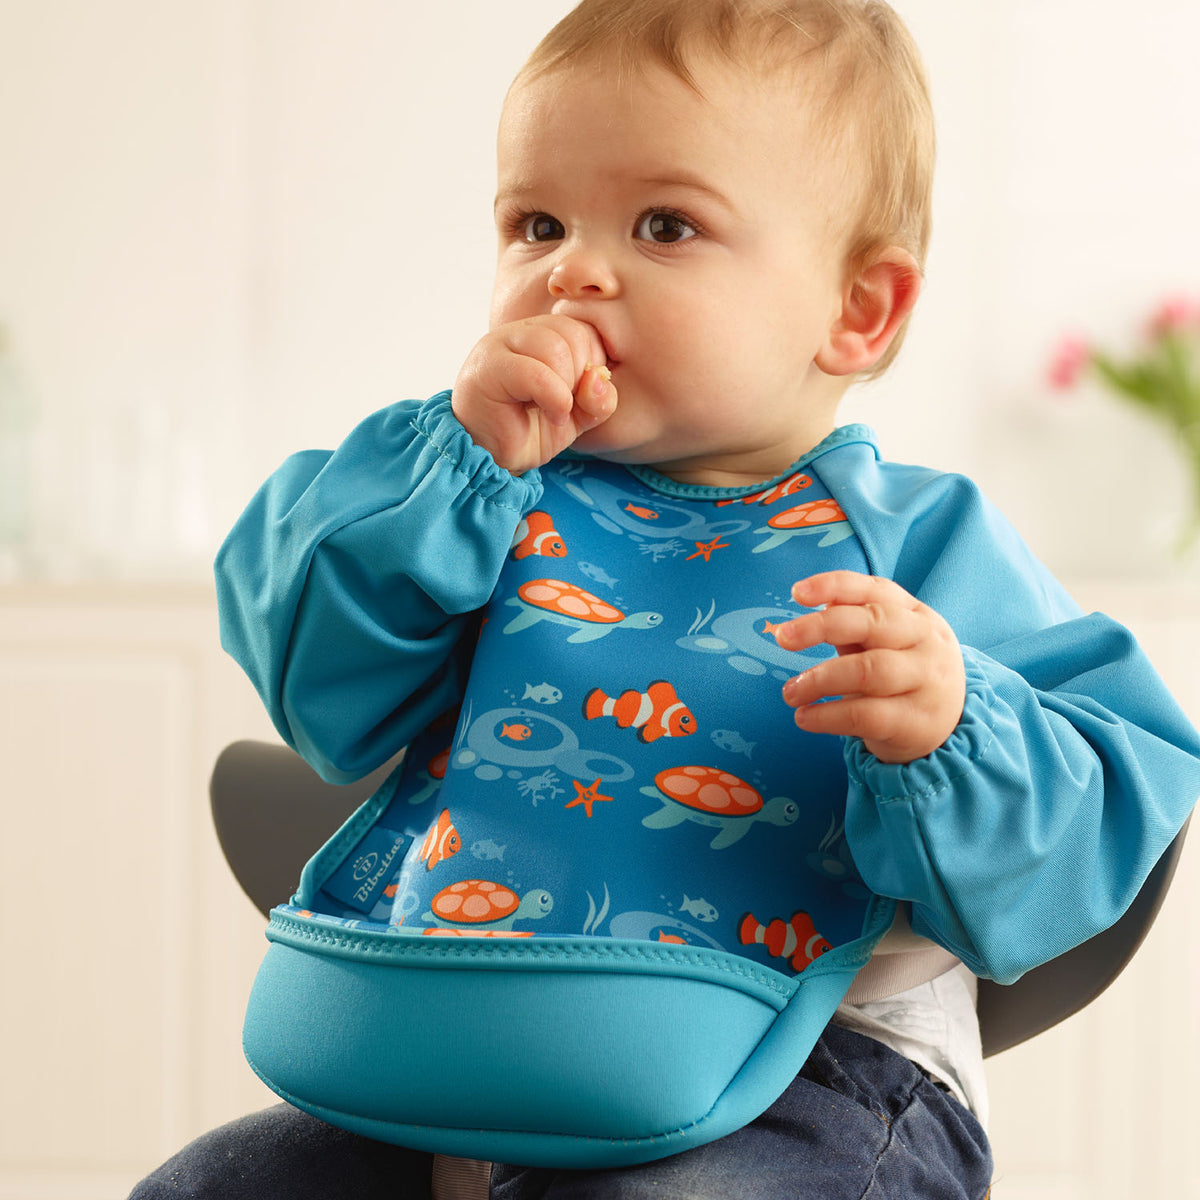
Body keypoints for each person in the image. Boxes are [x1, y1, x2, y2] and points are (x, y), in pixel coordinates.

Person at [131, 1, 1200, 1197]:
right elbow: (318, 681)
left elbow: (1120, 788)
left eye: (665, 224)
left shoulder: (919, 539)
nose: (572, 268)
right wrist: (448, 469)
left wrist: (953, 725)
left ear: (859, 311)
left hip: (826, 1080)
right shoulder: (487, 500)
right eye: (536, 222)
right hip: (450, 1052)